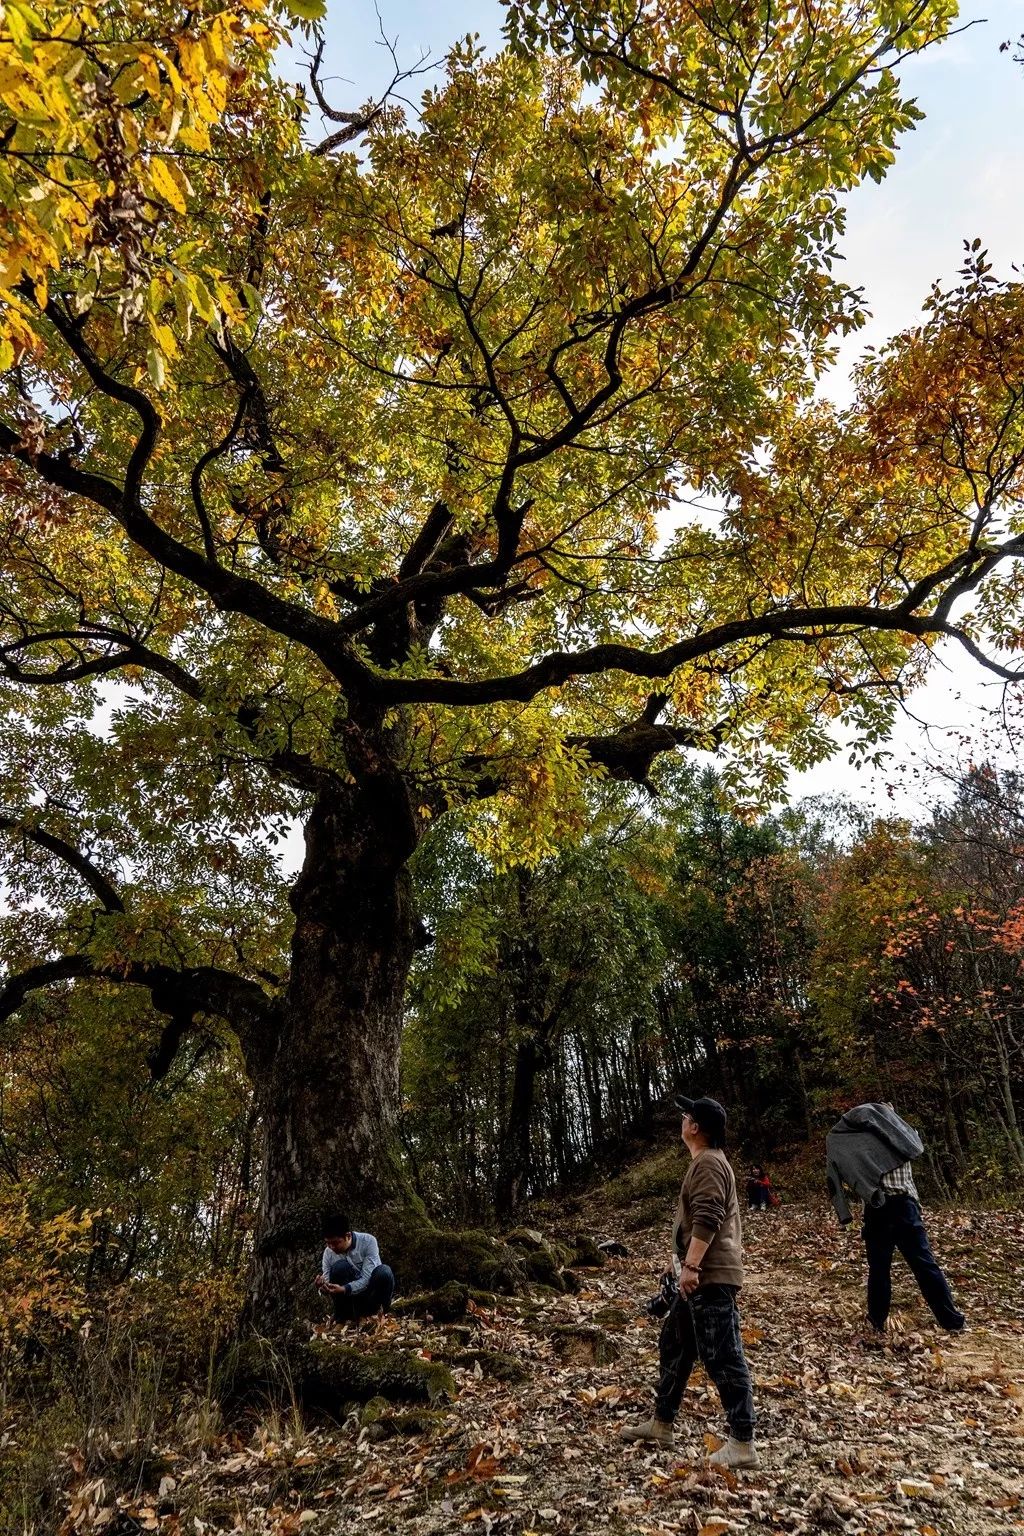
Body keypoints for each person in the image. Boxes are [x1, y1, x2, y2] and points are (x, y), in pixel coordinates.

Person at [621, 1095, 759, 1469]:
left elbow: (709, 1215)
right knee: (676, 1345)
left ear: (695, 1127)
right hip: (697, 1276)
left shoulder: (710, 1164)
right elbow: (698, 1219)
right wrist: (678, 1264)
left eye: (686, 1115)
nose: (681, 1119)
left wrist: (693, 1267)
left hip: (710, 1277)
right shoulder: (705, 1163)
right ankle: (662, 1423)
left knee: (723, 1356)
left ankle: (742, 1443)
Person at [826, 1102, 965, 1335]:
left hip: (876, 1210)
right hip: (904, 1206)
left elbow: (837, 1177)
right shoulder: (900, 1137)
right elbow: (912, 1161)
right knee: (924, 1265)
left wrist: (845, 1211)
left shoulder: (852, 1145)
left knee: (879, 1270)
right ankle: (951, 1321)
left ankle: (876, 1323)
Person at [314, 1213, 395, 1323]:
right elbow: (328, 1281)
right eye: (328, 1243)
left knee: (384, 1271)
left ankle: (383, 1313)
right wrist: (323, 1287)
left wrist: (345, 1288)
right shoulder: (328, 1253)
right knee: (339, 1267)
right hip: (349, 1301)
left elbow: (367, 1278)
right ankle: (344, 1317)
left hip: (370, 1294)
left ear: (348, 1236)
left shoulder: (368, 1242)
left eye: (336, 1243)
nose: (332, 1247)